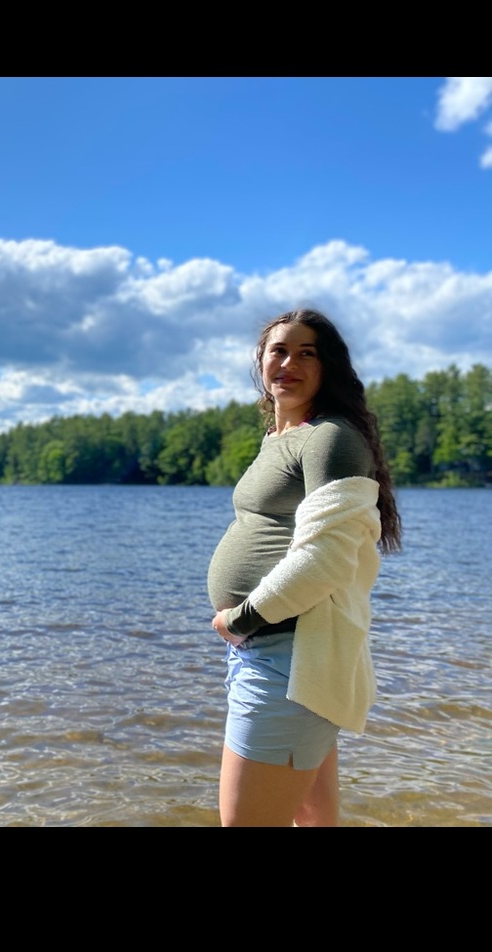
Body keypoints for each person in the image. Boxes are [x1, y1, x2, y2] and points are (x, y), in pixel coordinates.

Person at [207, 310, 401, 827]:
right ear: (261, 362)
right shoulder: (284, 437)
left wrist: (241, 619)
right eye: (279, 350)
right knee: (314, 820)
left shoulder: (330, 438)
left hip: (289, 658)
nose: (289, 363)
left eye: (306, 353)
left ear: (328, 366)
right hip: (279, 655)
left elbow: (325, 558)